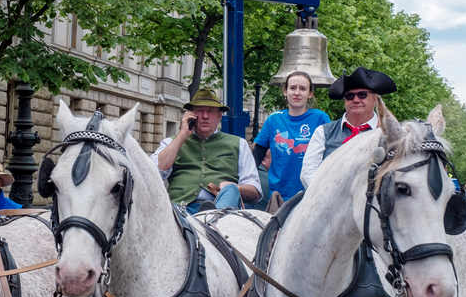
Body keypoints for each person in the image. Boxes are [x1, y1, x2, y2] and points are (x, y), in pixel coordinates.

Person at [152, 88, 261, 214]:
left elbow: (255, 191)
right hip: (180, 212)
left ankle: (213, 219)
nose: (204, 116)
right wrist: (182, 135)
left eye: (210, 111)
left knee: (231, 191)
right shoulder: (172, 143)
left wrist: (234, 188)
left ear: (219, 115)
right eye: (199, 111)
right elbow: (154, 172)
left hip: (222, 210)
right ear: (190, 114)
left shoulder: (239, 144)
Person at [300, 67, 397, 188]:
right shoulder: (323, 132)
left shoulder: (387, 135)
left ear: (375, 99)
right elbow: (308, 173)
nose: (356, 100)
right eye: (350, 96)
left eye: (362, 95)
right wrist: (328, 195)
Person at [251, 71, 330, 201]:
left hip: (311, 194)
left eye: (303, 89)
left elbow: (330, 153)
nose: (297, 93)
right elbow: (257, 154)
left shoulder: (320, 118)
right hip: (279, 196)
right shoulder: (273, 120)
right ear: (285, 91)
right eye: (292, 88)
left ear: (310, 94)